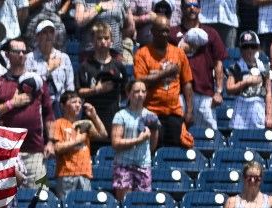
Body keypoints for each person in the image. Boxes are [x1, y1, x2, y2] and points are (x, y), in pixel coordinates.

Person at [0, 37, 55, 182]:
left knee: (39, 197)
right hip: (6, 152)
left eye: (24, 51)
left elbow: (48, 114)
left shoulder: (39, 82)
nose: (21, 54)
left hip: (34, 152)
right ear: (7, 54)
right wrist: (12, 103)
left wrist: (51, 141)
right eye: (17, 51)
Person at [134, 15, 193, 148]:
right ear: (152, 31)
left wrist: (189, 111)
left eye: (167, 30)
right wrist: (166, 73)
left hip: (174, 113)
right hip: (150, 112)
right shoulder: (142, 54)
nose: (165, 34)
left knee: (174, 152)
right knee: (151, 152)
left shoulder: (178, 53)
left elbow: (187, 84)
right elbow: (140, 81)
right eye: (161, 30)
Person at [170, 0, 226, 132]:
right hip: (179, 94)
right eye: (188, 5)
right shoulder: (173, 33)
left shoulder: (211, 33)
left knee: (209, 135)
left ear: (200, 8)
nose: (192, 8)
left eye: (195, 5)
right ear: (182, 8)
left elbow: (219, 63)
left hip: (204, 94)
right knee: (178, 133)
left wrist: (219, 92)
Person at [76, 22, 126, 148]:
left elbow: (125, 93)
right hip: (90, 119)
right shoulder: (85, 66)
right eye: (99, 38)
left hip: (113, 118)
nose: (103, 41)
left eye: (106, 38)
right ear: (92, 41)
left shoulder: (119, 66)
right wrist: (96, 90)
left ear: (112, 41)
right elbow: (78, 92)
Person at [111, 78, 160, 201]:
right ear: (128, 93)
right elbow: (116, 143)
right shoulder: (121, 115)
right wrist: (138, 140)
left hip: (143, 165)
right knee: (125, 204)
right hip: (123, 165)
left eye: (143, 91)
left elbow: (152, 147)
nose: (141, 95)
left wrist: (154, 130)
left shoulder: (151, 116)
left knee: (142, 205)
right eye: (137, 91)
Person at [53, 91, 107, 199]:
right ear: (63, 106)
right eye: (74, 102)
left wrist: (94, 116)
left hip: (85, 173)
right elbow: (57, 148)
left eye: (79, 102)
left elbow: (103, 135)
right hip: (66, 174)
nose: (78, 105)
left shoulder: (85, 124)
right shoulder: (58, 123)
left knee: (84, 207)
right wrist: (77, 141)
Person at [26, 20, 75, 116]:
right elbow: (29, 86)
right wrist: (48, 70)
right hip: (38, 104)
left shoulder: (64, 58)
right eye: (45, 32)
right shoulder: (29, 58)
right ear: (38, 36)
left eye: (51, 32)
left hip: (60, 105)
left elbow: (70, 86)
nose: (48, 36)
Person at [226, 30, 272, 130]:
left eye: (253, 46)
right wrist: (246, 82)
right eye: (246, 47)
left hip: (258, 108)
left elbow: (268, 93)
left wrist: (269, 116)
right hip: (241, 109)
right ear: (241, 49)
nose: (249, 50)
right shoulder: (235, 67)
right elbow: (229, 89)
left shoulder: (264, 68)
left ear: (258, 48)